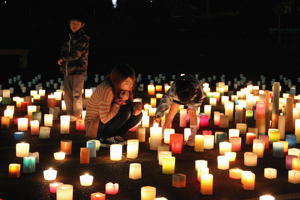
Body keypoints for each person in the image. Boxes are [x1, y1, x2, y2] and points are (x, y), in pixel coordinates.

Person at [85, 64, 143, 146]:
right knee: (125, 112)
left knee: (138, 114)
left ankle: (116, 136)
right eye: (127, 82)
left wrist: (137, 106)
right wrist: (116, 105)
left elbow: (127, 105)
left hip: (107, 122)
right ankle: (105, 138)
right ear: (118, 80)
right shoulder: (107, 90)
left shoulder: (122, 89)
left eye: (132, 82)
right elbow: (104, 119)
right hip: (95, 126)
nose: (130, 86)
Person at [154, 74, 206, 146]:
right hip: (179, 94)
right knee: (172, 110)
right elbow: (165, 101)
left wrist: (192, 107)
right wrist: (159, 114)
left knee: (192, 112)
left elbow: (199, 100)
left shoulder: (198, 91)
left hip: (192, 96)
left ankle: (192, 136)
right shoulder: (174, 89)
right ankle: (164, 133)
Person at [58, 15, 90, 121]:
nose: (74, 26)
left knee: (76, 94)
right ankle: (69, 114)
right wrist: (62, 60)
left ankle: (77, 115)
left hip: (78, 70)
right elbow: (63, 50)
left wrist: (63, 59)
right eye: (72, 23)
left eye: (76, 24)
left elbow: (77, 54)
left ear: (82, 25)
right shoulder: (68, 37)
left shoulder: (83, 38)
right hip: (67, 70)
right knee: (67, 93)